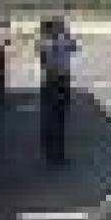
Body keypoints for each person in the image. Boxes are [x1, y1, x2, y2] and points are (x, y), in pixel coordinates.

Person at [37, 16, 79, 163]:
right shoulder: (51, 43)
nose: (62, 29)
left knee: (53, 116)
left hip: (55, 81)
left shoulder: (54, 42)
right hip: (56, 81)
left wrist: (65, 36)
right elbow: (48, 63)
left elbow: (74, 47)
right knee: (56, 118)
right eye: (60, 27)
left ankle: (51, 149)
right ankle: (56, 153)